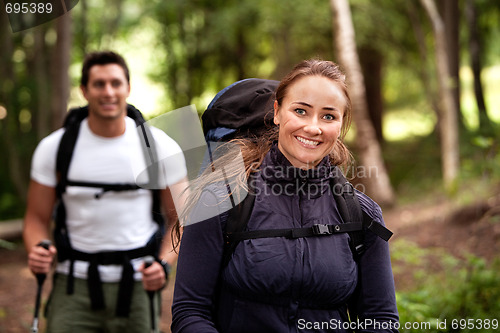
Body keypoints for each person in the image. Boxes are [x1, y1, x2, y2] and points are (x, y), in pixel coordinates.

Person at [171, 59, 399, 332]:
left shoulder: (362, 213)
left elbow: (381, 319)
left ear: (340, 125)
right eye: (301, 111)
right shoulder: (220, 200)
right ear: (277, 112)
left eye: (328, 116)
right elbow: (190, 311)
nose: (313, 128)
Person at [23, 51, 188, 332]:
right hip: (72, 285)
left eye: (115, 83)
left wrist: (164, 265)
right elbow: (35, 219)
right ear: (84, 91)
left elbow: (181, 221)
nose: (108, 92)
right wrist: (38, 249)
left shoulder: (161, 147)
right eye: (99, 84)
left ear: (128, 87)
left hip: (138, 287)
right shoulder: (54, 148)